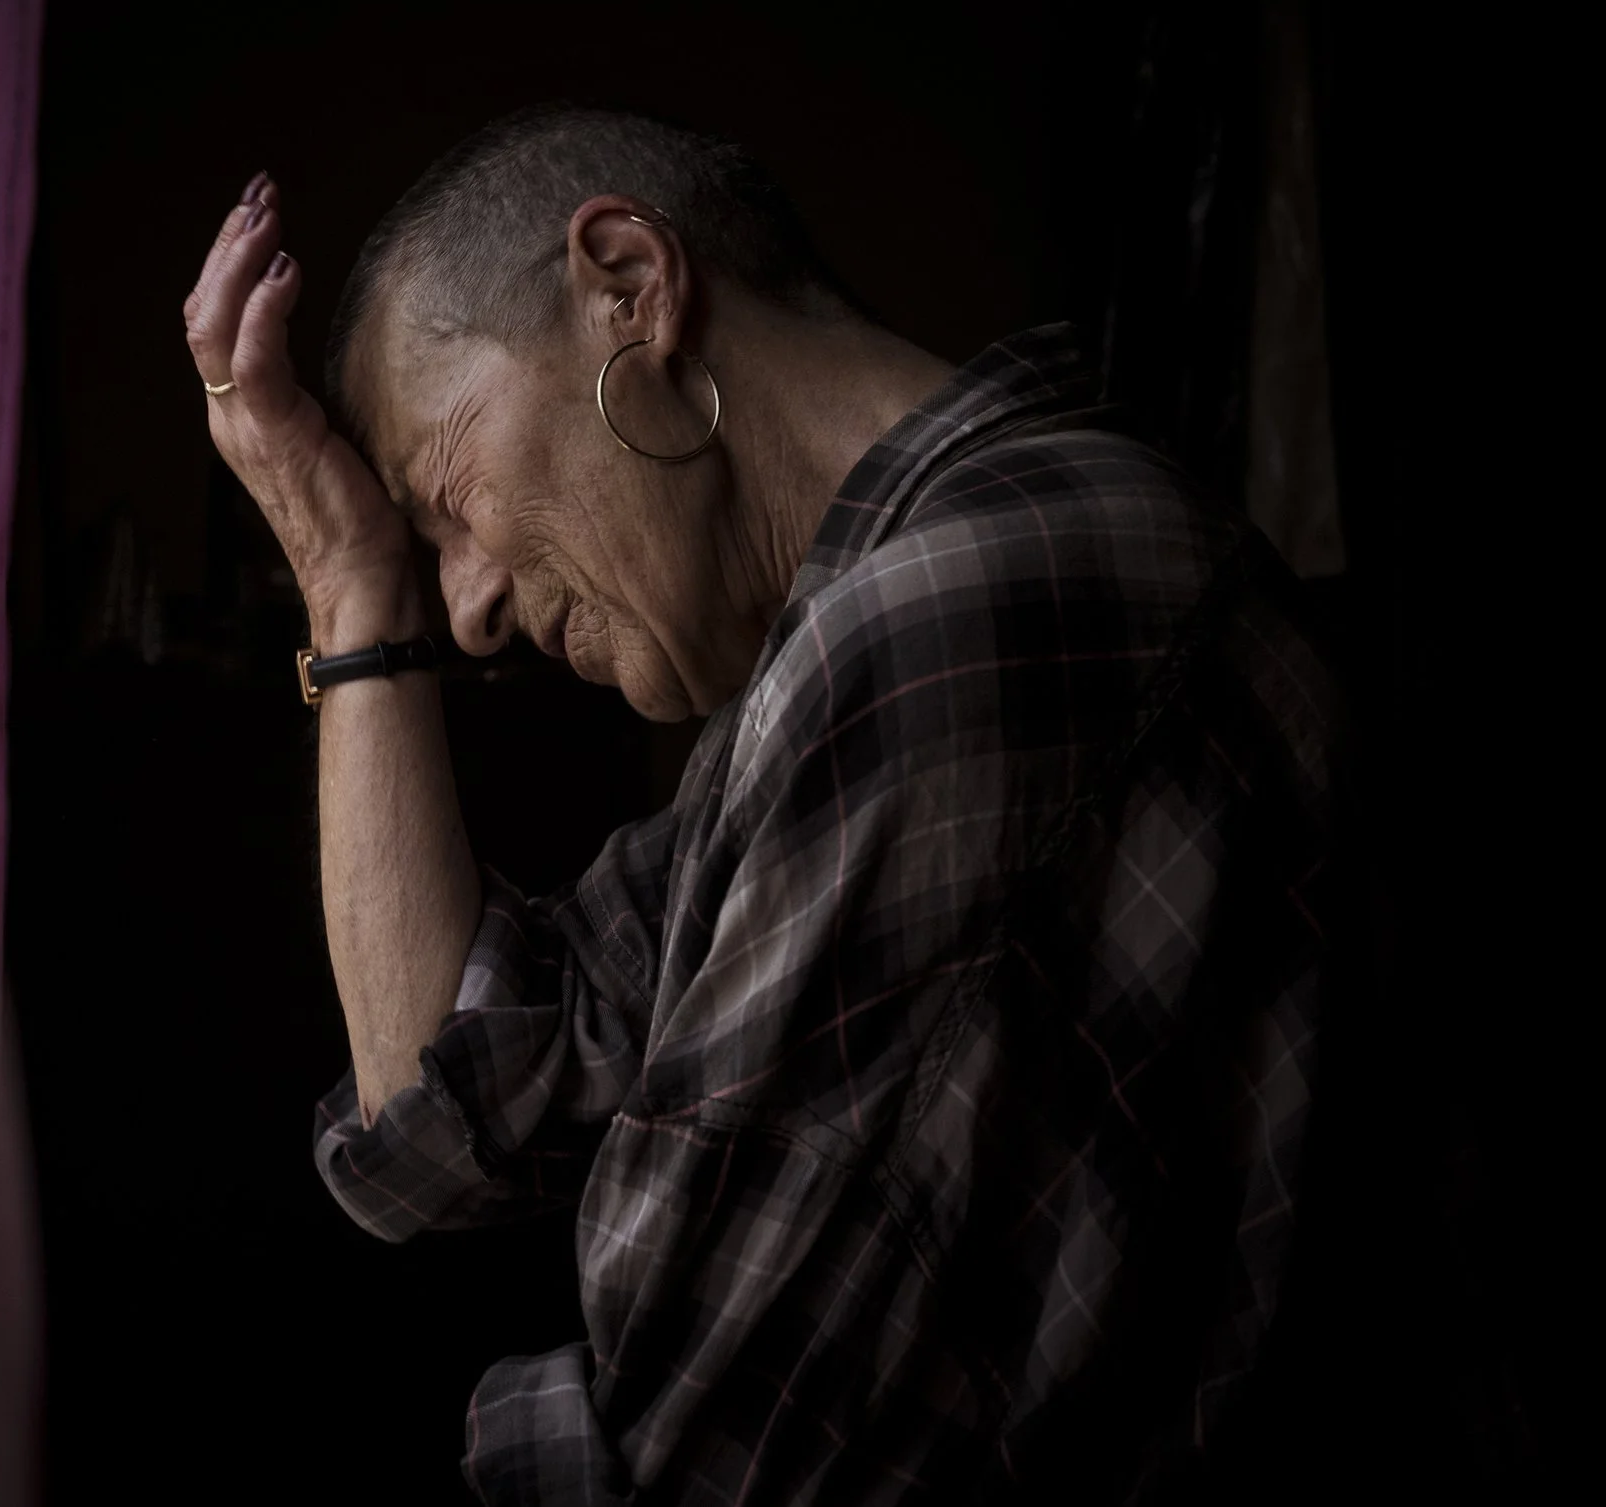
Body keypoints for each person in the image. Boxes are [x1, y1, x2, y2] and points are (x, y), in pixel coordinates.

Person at [181, 106, 1340, 1504]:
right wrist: (350, 586)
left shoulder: (947, 623)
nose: (470, 612)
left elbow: (700, 1450)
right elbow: (445, 1117)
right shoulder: (858, 632)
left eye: (445, 502)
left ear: (630, 286)